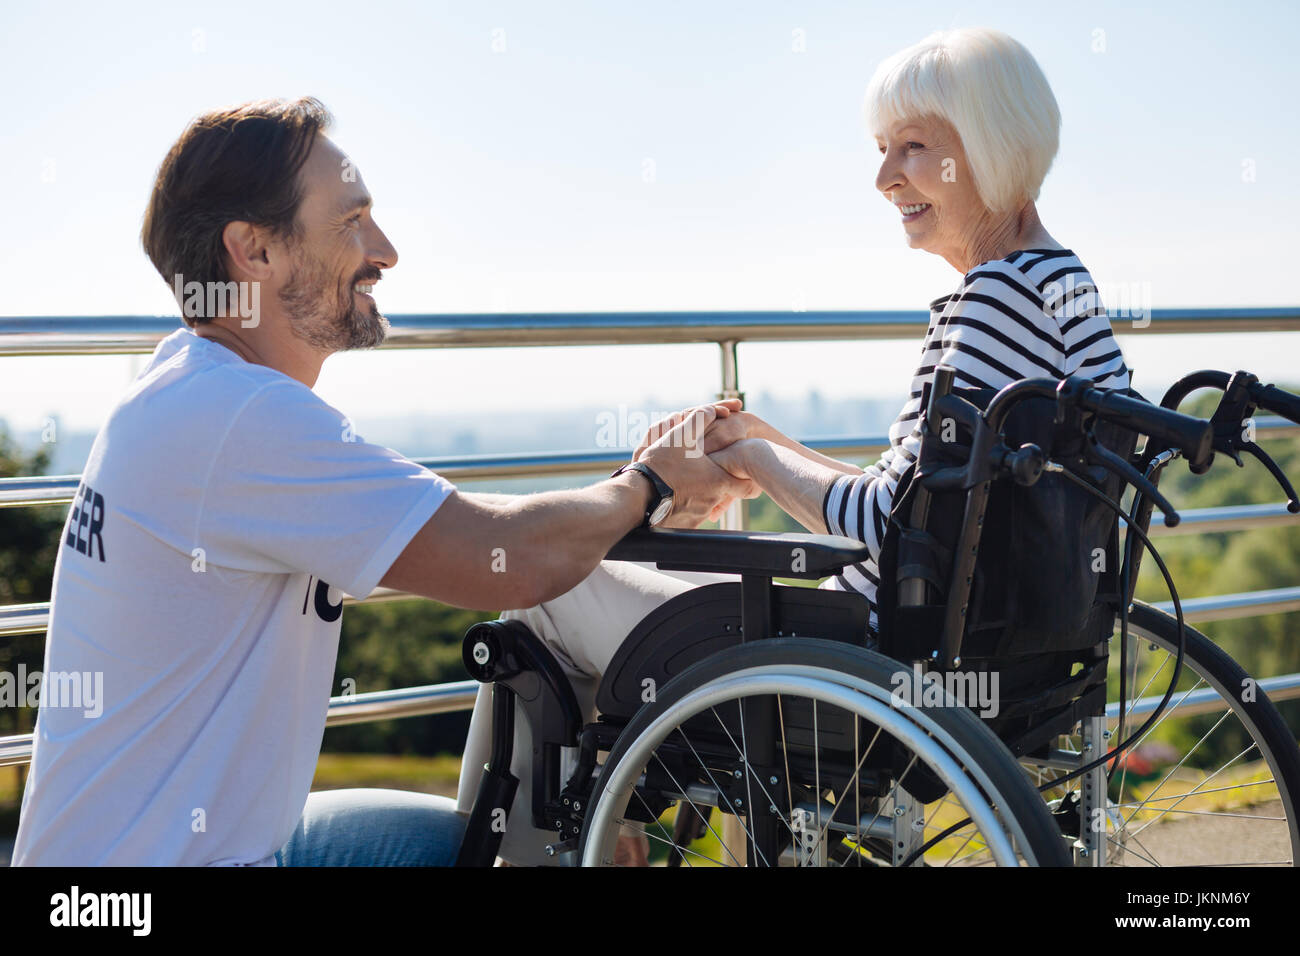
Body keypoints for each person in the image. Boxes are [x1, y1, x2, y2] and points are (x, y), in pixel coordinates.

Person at [11, 97, 751, 867]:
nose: (386, 251)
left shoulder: (194, 389)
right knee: (507, 856)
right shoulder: (237, 417)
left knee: (482, 845)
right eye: (351, 222)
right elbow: (503, 553)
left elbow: (471, 528)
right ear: (254, 252)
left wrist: (625, 498)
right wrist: (648, 486)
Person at [457, 26, 1133, 864]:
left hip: (854, 655)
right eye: (883, 149)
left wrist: (749, 463)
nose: (885, 177)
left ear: (990, 146)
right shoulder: (1062, 283)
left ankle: (518, 851)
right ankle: (613, 829)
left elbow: (888, 523)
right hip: (1016, 649)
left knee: (546, 589)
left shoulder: (987, 302)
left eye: (914, 148)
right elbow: (929, 502)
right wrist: (756, 438)